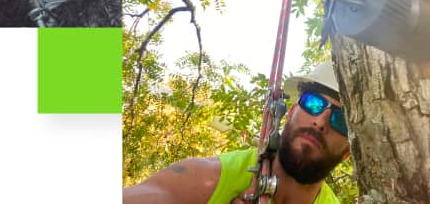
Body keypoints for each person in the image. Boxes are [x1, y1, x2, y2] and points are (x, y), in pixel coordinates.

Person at [124, 62, 350, 204]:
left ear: (348, 152)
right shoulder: (208, 179)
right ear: (291, 112)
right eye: (313, 103)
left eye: (341, 120)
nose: (320, 121)